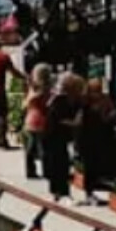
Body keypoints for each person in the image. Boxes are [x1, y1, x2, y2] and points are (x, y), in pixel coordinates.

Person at [44, 72, 85, 202]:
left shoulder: (75, 100)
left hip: (64, 135)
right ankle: (58, 190)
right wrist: (73, 123)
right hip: (53, 134)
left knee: (63, 162)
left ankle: (62, 190)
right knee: (57, 161)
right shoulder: (59, 100)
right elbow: (56, 118)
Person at [22, 64, 53, 182]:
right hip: (44, 119)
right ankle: (47, 171)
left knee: (30, 147)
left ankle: (30, 171)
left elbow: (25, 105)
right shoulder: (49, 89)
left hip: (32, 119)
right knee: (44, 147)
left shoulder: (34, 88)